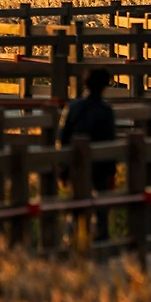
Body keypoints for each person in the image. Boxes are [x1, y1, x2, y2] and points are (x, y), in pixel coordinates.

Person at [60, 65, 118, 242]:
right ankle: (100, 240)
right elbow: (110, 142)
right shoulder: (106, 111)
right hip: (99, 166)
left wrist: (63, 168)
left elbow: (62, 138)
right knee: (101, 206)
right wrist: (112, 171)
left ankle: (71, 240)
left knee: (76, 203)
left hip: (76, 164)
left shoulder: (72, 108)